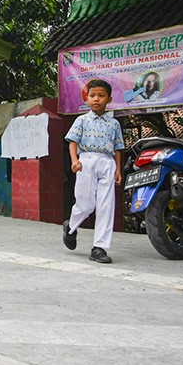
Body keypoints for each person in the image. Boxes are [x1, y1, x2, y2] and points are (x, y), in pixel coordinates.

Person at [62, 79, 125, 264]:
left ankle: (99, 248)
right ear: (87, 99)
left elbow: (118, 147)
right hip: (86, 161)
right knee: (86, 204)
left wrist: (118, 169)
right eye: (92, 96)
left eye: (101, 95)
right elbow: (73, 141)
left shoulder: (114, 124)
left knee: (106, 206)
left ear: (109, 99)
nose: (96, 99)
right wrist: (74, 161)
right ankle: (70, 227)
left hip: (107, 162)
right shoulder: (81, 120)